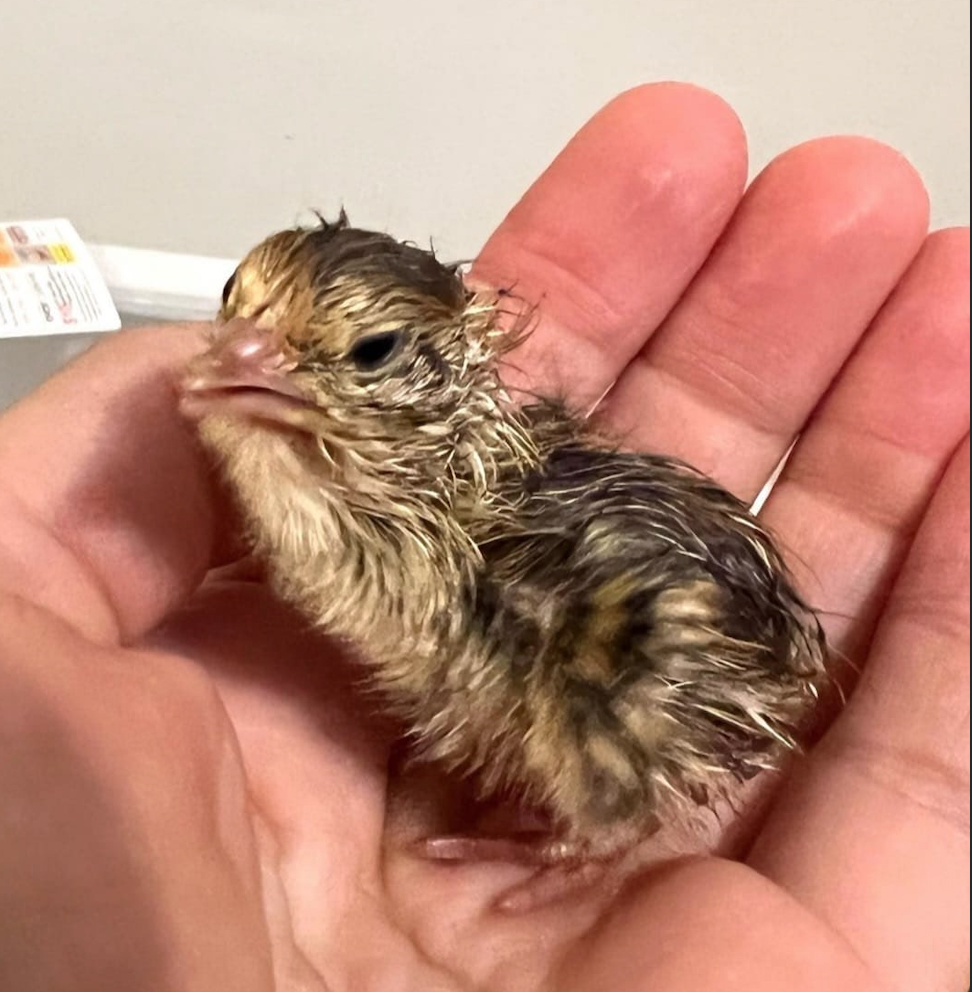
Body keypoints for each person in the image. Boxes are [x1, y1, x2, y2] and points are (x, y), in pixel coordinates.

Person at [0, 82, 967, 991]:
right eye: (238, 320)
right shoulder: (335, 482)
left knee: (615, 660)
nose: (239, 355)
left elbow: (674, 655)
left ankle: (589, 833)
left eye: (371, 353)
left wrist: (591, 828)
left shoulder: (477, 547)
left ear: (449, 365)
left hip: (657, 663)